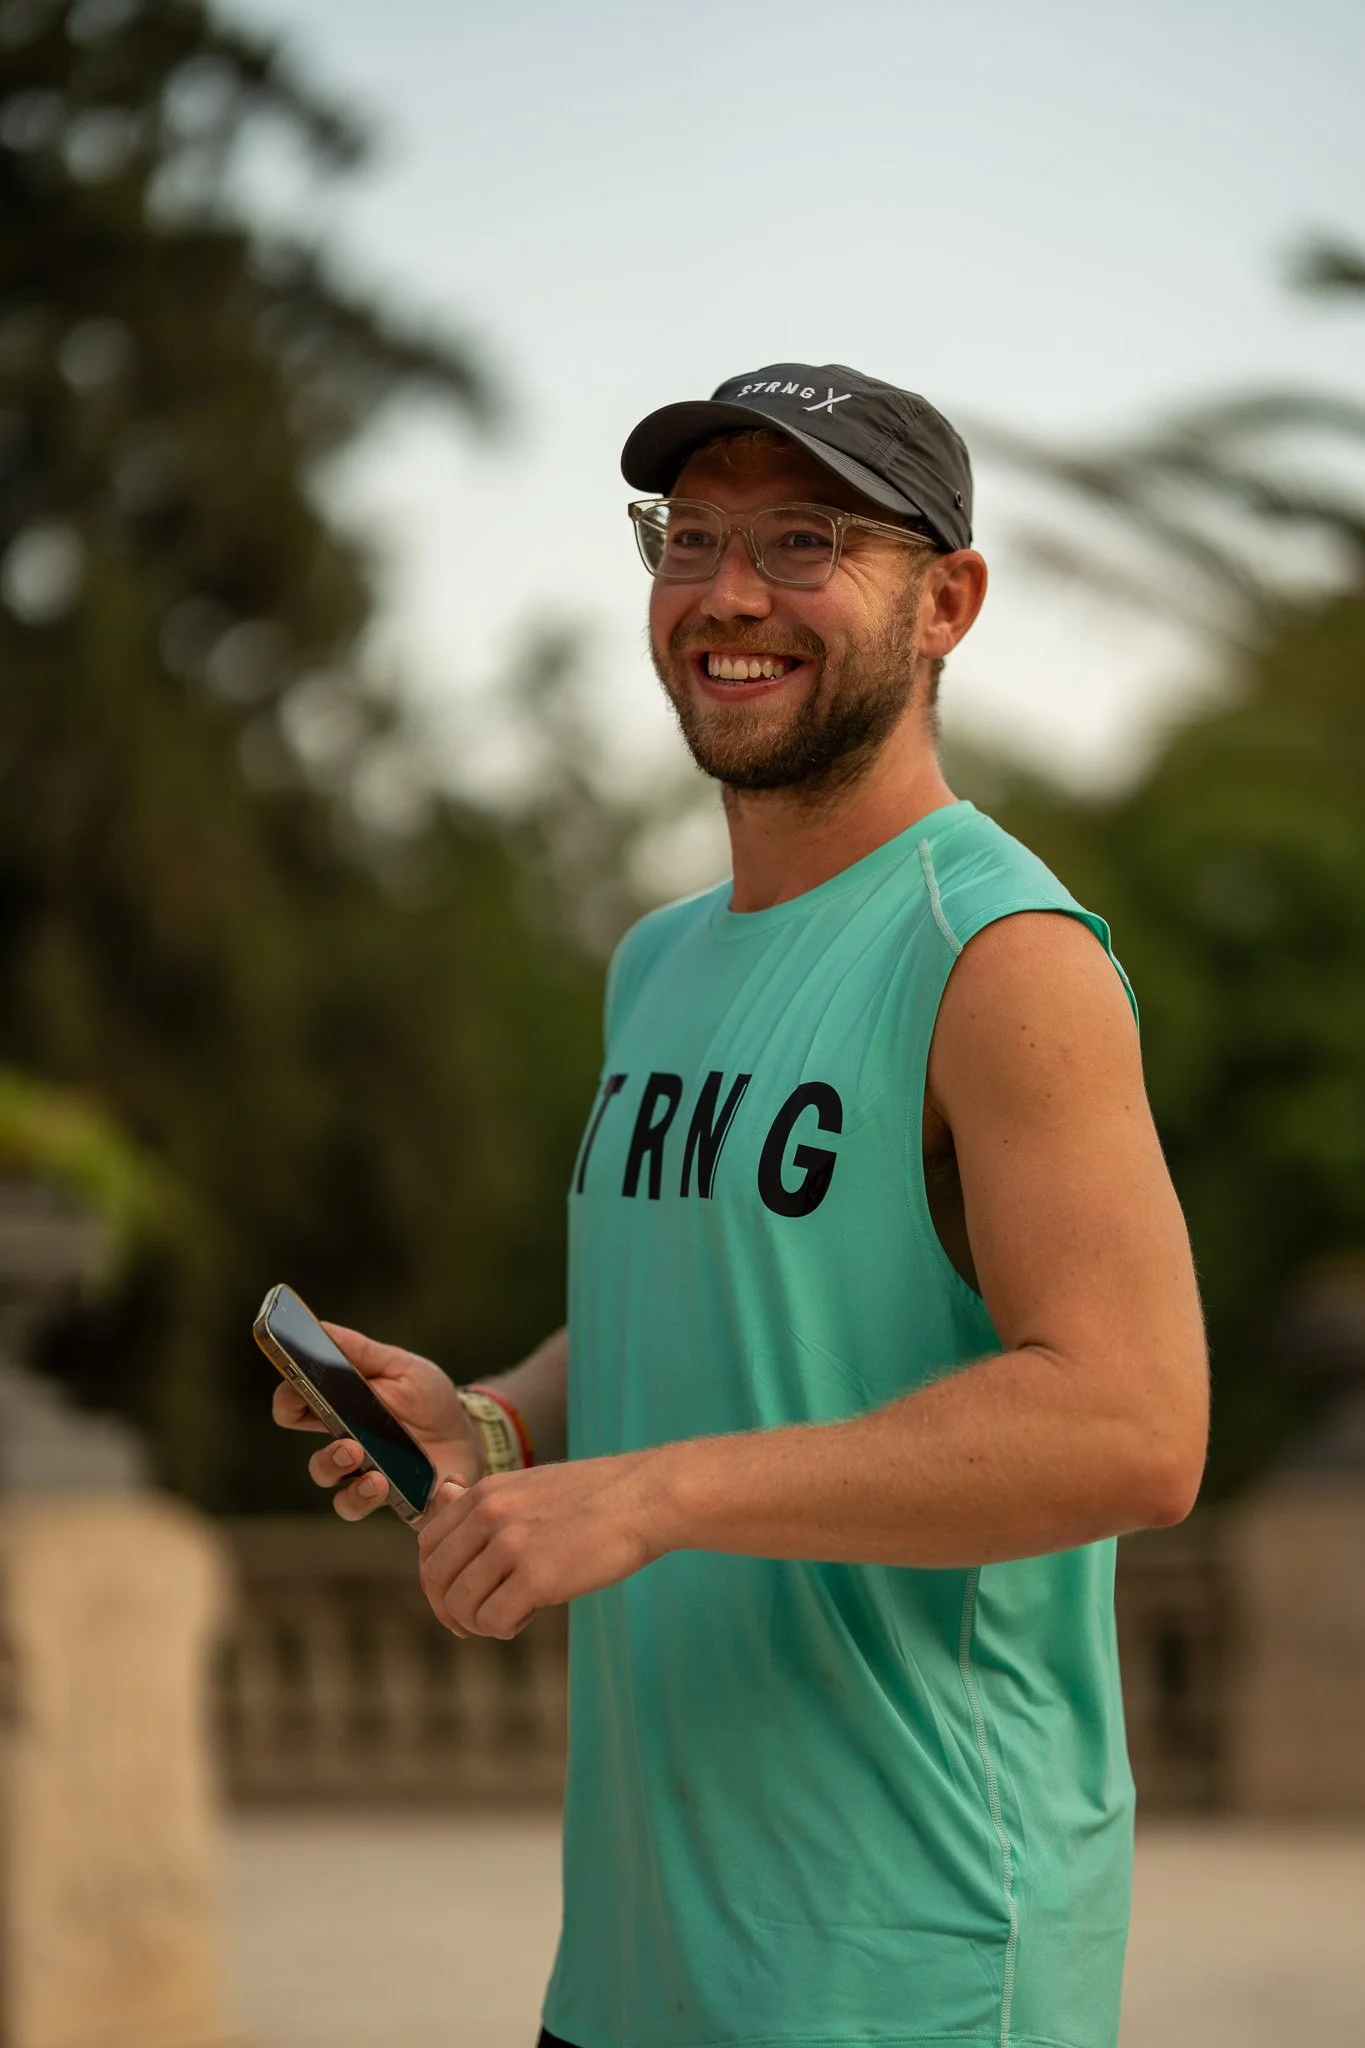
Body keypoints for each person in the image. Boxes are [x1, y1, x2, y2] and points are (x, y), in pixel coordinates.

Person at [274, 362, 1208, 2048]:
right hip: (635, 1962)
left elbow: (1135, 1426)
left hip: (906, 1964)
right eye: (688, 536)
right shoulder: (658, 962)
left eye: (804, 541)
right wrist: (499, 1424)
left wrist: (661, 1495)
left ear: (948, 604)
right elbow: (719, 1288)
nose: (727, 595)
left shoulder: (1000, 956)